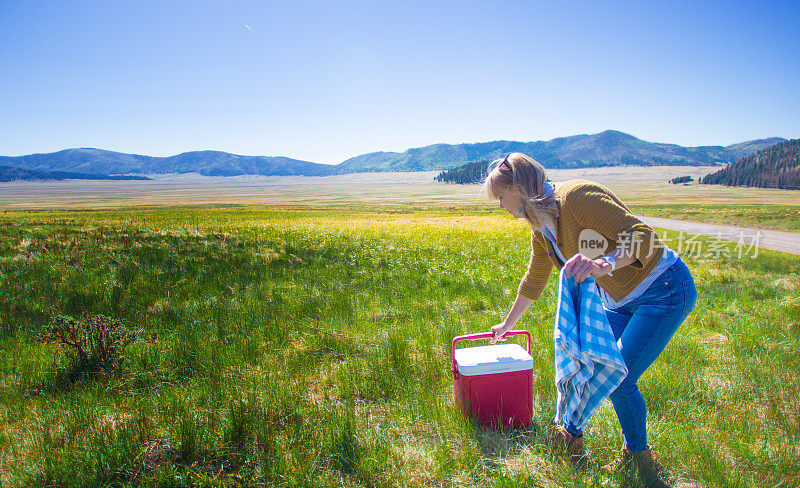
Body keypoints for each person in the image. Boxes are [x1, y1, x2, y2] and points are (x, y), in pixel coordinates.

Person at [481, 152, 697, 476]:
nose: (500, 205)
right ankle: (570, 436)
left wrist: (605, 263)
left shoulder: (578, 197)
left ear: (519, 189)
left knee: (619, 377)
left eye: (500, 197)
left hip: (662, 288)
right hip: (620, 298)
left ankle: (638, 458)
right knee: (586, 360)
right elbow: (536, 277)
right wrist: (508, 325)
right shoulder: (541, 228)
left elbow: (643, 237)